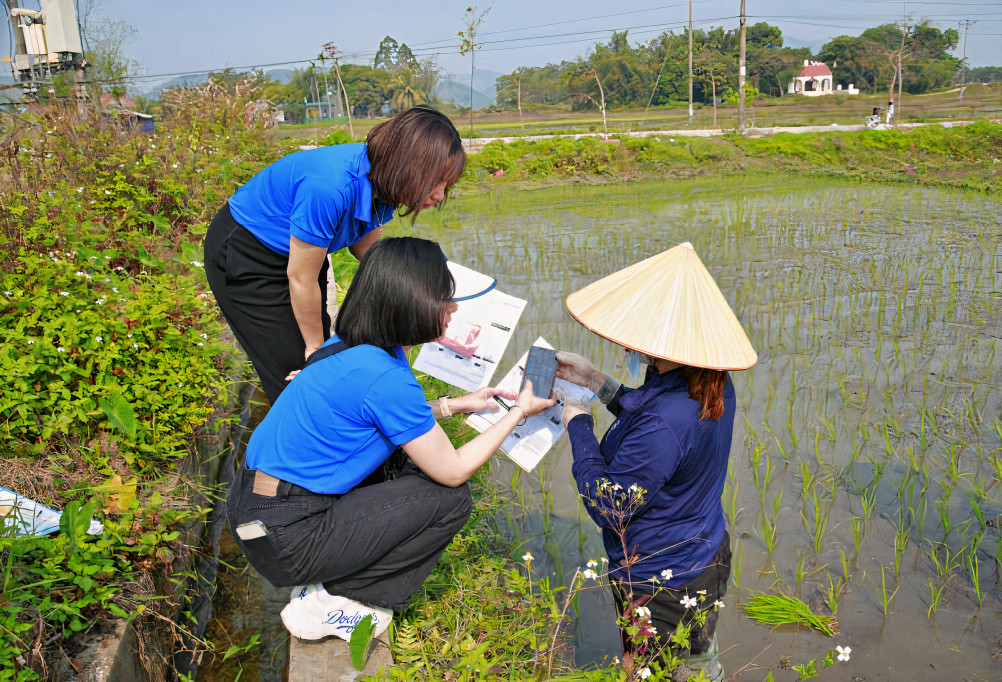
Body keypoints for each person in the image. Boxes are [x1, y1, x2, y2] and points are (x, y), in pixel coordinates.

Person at [226, 237, 556, 642]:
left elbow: (378, 418)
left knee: (407, 463)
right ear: (410, 304)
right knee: (448, 499)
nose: (453, 310)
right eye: (444, 300)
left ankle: (332, 578)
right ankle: (335, 601)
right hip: (288, 537)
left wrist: (457, 405)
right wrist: (520, 411)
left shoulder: (349, 347)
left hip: (256, 509)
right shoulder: (384, 376)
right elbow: (453, 472)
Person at [554, 242, 758, 681]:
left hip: (660, 577)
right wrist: (596, 381)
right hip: (703, 553)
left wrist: (578, 423)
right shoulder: (708, 381)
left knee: (648, 670)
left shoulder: (668, 418)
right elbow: (654, 426)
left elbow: (609, 505)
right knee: (699, 661)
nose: (631, 342)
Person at [204, 106, 466, 404]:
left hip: (301, 254)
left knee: (325, 353)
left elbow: (363, 248)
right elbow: (301, 277)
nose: (440, 195)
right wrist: (316, 351)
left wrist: (420, 290)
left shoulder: (388, 183)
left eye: (447, 183)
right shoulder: (330, 187)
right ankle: (296, 441)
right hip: (248, 252)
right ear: (407, 166)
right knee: (300, 369)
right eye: (435, 182)